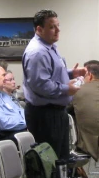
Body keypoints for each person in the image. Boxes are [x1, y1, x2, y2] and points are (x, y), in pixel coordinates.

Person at [22, 9, 86, 159]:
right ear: (39, 29)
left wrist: (71, 73)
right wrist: (67, 89)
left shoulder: (49, 47)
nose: (58, 30)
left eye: (58, 25)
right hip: (45, 115)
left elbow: (51, 73)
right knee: (51, 162)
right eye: (52, 27)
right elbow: (41, 85)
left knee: (60, 159)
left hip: (54, 112)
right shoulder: (37, 52)